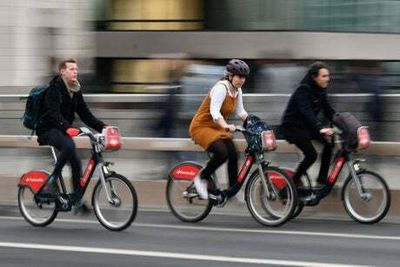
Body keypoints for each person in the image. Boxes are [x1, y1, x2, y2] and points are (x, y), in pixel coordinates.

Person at [36, 58, 107, 213]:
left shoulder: (75, 90)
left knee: (76, 162)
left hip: (62, 129)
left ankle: (77, 200)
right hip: (48, 129)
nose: (75, 71)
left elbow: (85, 114)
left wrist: (103, 127)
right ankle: (52, 180)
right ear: (62, 71)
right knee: (69, 145)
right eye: (71, 69)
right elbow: (52, 113)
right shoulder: (54, 88)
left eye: (76, 69)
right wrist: (68, 127)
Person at [189, 59, 249, 205]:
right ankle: (200, 178)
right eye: (239, 76)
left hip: (218, 128)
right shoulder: (221, 88)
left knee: (234, 154)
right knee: (222, 153)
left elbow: (241, 112)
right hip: (202, 126)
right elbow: (214, 112)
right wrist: (226, 125)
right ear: (230, 76)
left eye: (243, 77)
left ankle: (232, 191)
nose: (242, 80)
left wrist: (253, 122)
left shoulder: (237, 90)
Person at [280, 61, 336, 189]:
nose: (328, 79)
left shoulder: (321, 91)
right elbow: (307, 111)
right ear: (314, 77)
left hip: (307, 126)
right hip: (293, 127)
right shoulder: (303, 89)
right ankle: (292, 184)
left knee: (328, 146)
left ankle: (321, 181)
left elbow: (329, 111)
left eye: (328, 75)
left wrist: (343, 121)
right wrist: (320, 127)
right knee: (311, 155)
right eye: (324, 76)